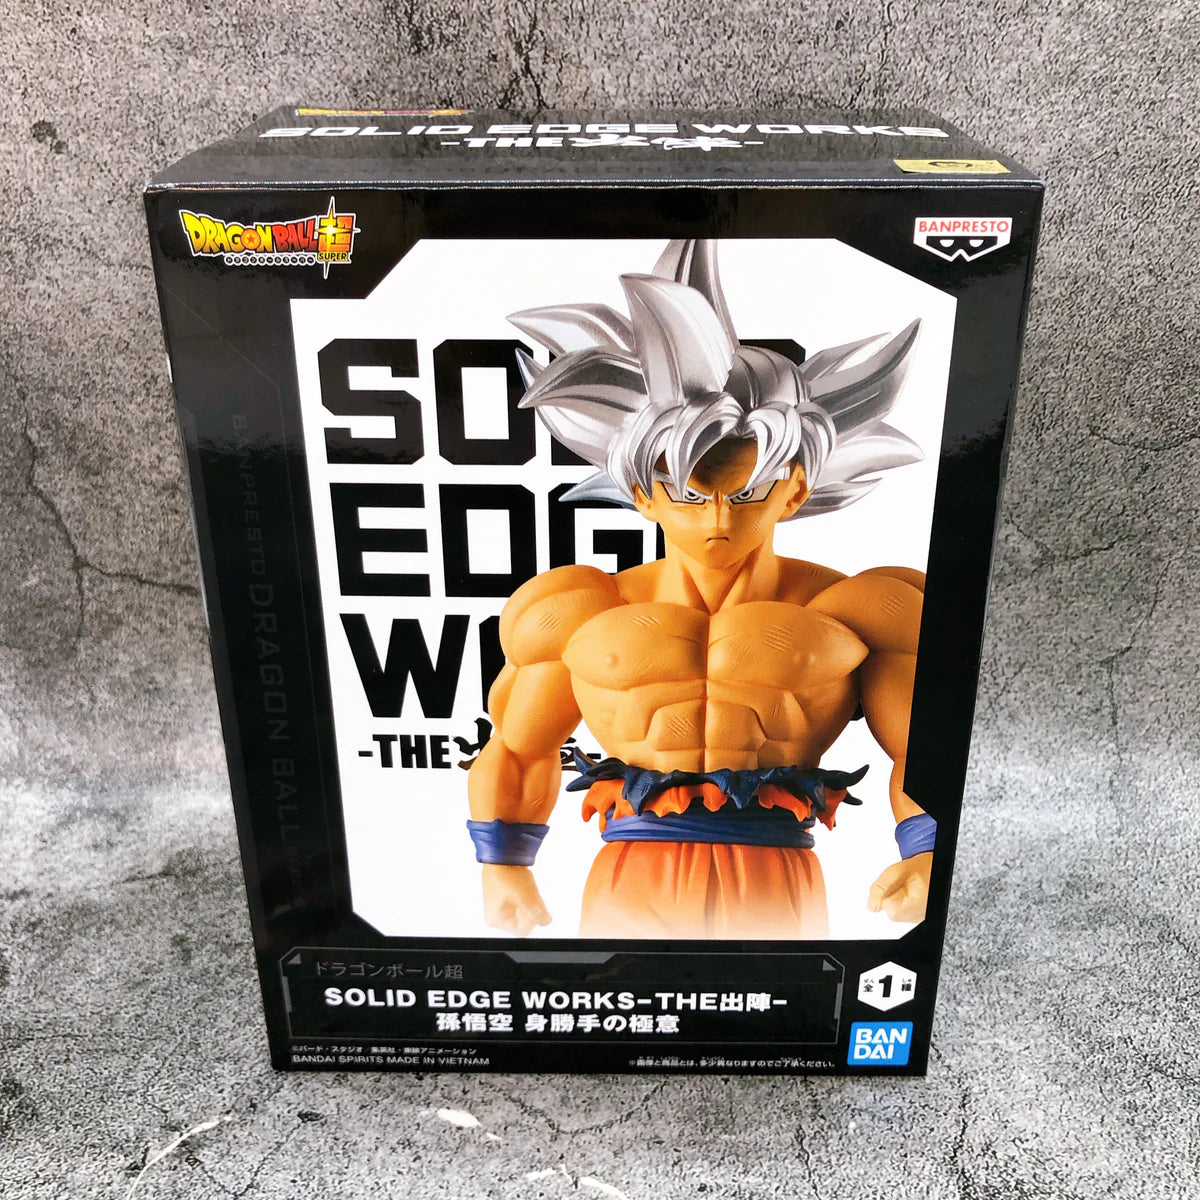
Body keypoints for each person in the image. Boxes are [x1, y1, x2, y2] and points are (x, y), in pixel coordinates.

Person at [466, 239, 934, 939]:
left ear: (795, 489)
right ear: (643, 493)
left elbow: (920, 751)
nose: (717, 517)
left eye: (746, 491)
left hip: (776, 874)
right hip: (632, 869)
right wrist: (503, 864)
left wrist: (926, 850)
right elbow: (518, 749)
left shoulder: (863, 611)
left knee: (774, 1009)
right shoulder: (577, 611)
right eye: (690, 491)